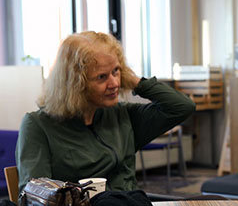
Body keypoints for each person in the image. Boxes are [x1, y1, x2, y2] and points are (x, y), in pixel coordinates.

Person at [16, 31, 196, 193]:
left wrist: (132, 79)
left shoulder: (121, 115)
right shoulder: (38, 125)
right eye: (102, 77)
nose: (115, 84)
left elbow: (182, 107)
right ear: (75, 84)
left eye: (116, 71)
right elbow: (34, 194)